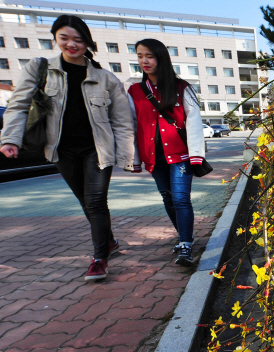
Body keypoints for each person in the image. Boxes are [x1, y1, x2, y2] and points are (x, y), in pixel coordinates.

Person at [0, 15, 135, 281]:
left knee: (96, 202)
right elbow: (17, 105)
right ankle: (108, 241)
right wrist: (10, 139)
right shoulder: (39, 68)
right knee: (85, 201)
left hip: (97, 149)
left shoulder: (105, 78)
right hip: (61, 150)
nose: (71, 44)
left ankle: (99, 259)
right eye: (64, 38)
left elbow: (122, 121)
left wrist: (129, 157)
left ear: (87, 42)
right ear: (55, 38)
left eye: (78, 39)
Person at [127, 38, 205, 266]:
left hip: (180, 154)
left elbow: (194, 121)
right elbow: (132, 125)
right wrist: (134, 159)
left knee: (181, 199)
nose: (144, 61)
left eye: (149, 56)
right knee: (167, 198)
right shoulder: (135, 91)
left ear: (161, 58)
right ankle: (183, 238)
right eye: (140, 56)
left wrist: (197, 154)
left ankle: (186, 244)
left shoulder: (181, 87)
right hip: (153, 156)